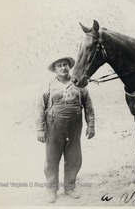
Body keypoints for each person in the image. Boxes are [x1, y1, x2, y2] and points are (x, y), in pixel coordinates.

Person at [37, 56, 95, 203]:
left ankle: (70, 188)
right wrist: (40, 129)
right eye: (59, 66)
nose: (63, 68)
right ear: (55, 70)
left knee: (74, 157)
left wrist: (91, 125)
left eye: (65, 65)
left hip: (75, 126)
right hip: (54, 126)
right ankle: (51, 190)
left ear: (69, 67)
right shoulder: (48, 86)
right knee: (52, 158)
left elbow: (88, 106)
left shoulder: (79, 85)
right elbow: (40, 108)